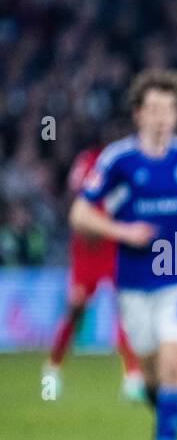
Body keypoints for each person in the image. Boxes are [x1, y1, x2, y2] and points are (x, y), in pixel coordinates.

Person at [70, 69, 177, 440]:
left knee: (174, 362)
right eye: (153, 108)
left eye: (169, 109)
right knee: (151, 375)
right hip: (134, 282)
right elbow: (79, 214)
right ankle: (169, 414)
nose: (161, 117)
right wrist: (121, 232)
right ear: (138, 114)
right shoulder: (119, 160)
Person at [43, 145, 144, 402]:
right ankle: (52, 368)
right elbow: (77, 195)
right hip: (88, 245)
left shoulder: (132, 164)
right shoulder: (89, 160)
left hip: (113, 243)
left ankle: (132, 376)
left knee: (125, 307)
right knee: (76, 307)